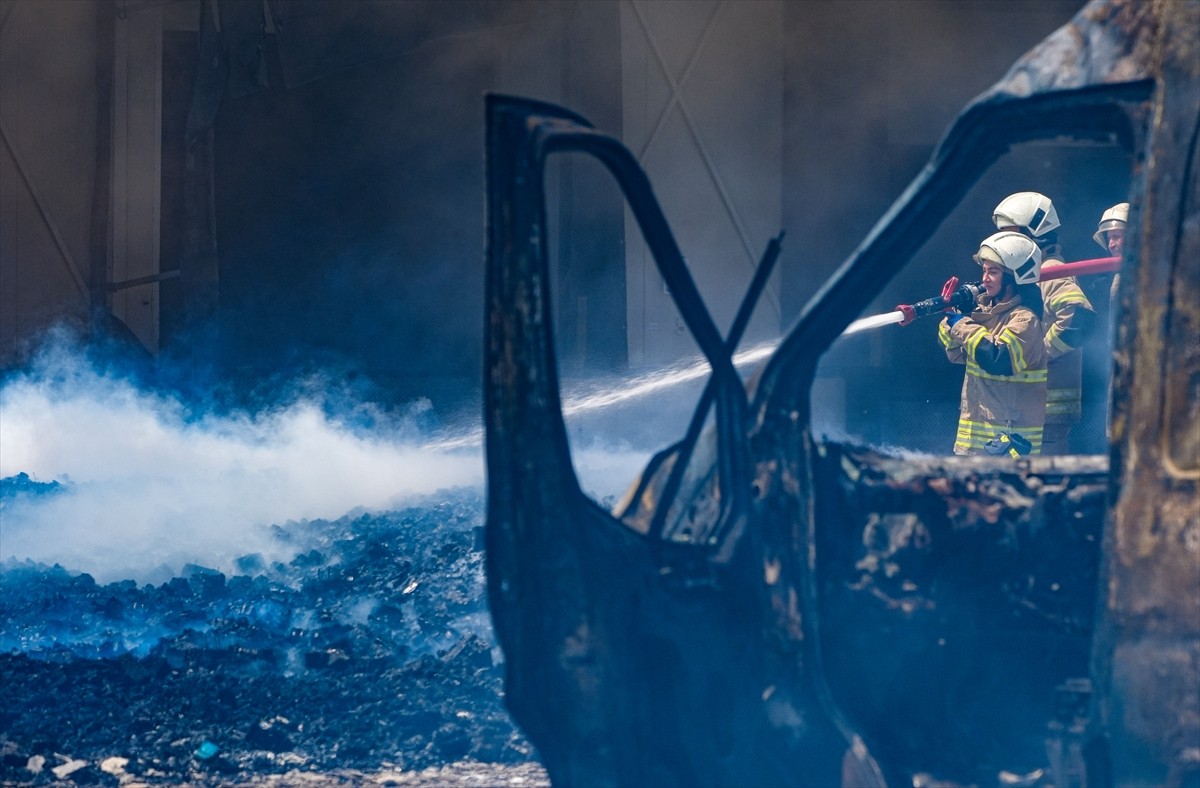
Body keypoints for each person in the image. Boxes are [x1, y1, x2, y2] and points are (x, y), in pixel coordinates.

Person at [992, 192, 1097, 455]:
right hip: (1034, 407)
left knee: (1045, 476)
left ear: (1035, 233)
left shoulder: (1050, 272)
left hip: (1047, 409)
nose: (1004, 243)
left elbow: (1079, 320)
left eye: (1010, 235)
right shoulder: (1032, 273)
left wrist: (1038, 353)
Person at [939, 231, 1048, 456]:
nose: (985, 279)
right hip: (974, 445)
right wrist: (953, 317)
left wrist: (962, 325)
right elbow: (956, 354)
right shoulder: (985, 314)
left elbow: (998, 359)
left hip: (1010, 448)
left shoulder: (1024, 320)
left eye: (993, 272)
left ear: (1013, 278)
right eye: (984, 271)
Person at [1094, 201, 1129, 300]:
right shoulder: (1112, 281)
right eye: (1109, 239)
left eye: (1116, 237)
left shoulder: (1155, 271)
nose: (1110, 245)